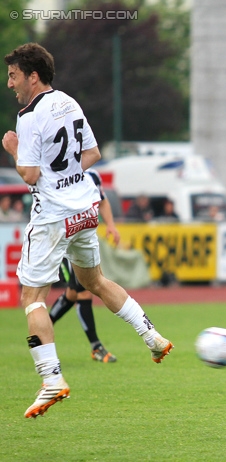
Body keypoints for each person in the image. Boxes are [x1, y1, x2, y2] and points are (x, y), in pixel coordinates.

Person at [2, 43, 174, 419]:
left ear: (33, 76)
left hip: (52, 217)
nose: (10, 83)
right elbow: (92, 154)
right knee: (94, 280)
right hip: (84, 209)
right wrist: (65, 175)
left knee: (32, 298)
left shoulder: (28, 116)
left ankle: (51, 380)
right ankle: (152, 336)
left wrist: (13, 148)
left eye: (14, 75)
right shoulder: (69, 102)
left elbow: (29, 175)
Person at [49, 169, 121, 363]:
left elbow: (103, 200)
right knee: (83, 292)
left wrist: (111, 225)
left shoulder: (93, 175)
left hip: (83, 244)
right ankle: (96, 347)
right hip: (64, 244)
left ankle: (42, 329)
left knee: (73, 294)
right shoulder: (61, 174)